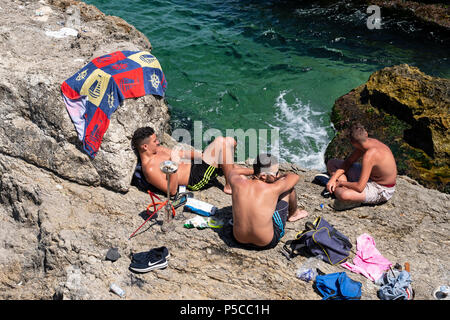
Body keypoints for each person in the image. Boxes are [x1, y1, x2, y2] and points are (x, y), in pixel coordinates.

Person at [228, 153, 309, 250]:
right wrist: (279, 177)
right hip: (266, 242)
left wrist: (255, 172)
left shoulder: (237, 182)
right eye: (276, 173)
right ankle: (294, 214)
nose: (277, 175)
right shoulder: (273, 188)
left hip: (238, 239)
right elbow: (294, 176)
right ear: (263, 176)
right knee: (289, 189)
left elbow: (233, 171)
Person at [131, 126, 238, 195]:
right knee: (221, 143)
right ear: (145, 146)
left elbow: (182, 154)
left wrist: (204, 156)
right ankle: (229, 186)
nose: (158, 142)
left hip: (196, 165)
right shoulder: (150, 169)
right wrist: (174, 164)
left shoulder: (158, 150)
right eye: (154, 141)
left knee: (230, 141)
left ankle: (225, 169)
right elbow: (172, 191)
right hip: (195, 178)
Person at [325, 123, 397, 207]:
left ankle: (346, 192)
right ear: (366, 134)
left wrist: (340, 183)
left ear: (352, 143)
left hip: (381, 188)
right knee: (332, 163)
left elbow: (359, 187)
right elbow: (348, 162)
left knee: (344, 195)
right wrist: (333, 179)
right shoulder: (368, 142)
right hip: (369, 176)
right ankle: (343, 186)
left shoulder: (369, 156)